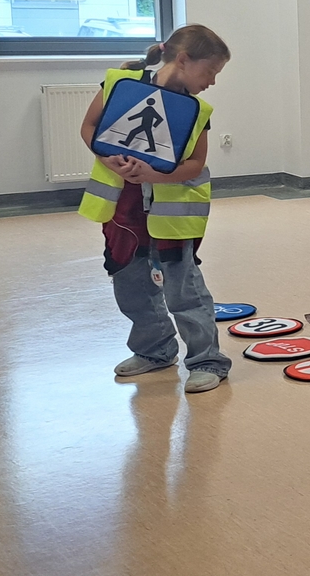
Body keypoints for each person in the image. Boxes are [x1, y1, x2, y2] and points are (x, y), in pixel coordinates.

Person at [78, 25, 232, 394]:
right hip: (123, 211)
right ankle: (155, 350)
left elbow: (195, 164)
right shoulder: (119, 84)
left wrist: (154, 175)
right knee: (131, 284)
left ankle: (207, 360)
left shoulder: (197, 111)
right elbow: (89, 127)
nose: (212, 81)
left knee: (184, 291)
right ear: (184, 60)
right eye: (210, 71)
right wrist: (107, 157)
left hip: (172, 216)